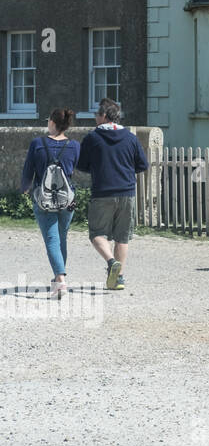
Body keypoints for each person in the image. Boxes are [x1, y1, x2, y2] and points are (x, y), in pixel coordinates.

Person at [76, 98, 149, 291]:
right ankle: (119, 278)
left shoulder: (92, 138)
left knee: (97, 234)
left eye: (96, 115)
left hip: (103, 192)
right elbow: (142, 165)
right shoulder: (130, 138)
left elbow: (82, 165)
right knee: (122, 237)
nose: (94, 118)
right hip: (127, 192)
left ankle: (110, 262)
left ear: (104, 116)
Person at [20, 108, 79, 298]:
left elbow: (28, 169)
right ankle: (57, 279)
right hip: (67, 199)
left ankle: (60, 281)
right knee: (61, 238)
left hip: (43, 199)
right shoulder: (74, 145)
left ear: (52, 123)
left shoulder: (38, 144)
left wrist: (25, 188)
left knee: (52, 239)